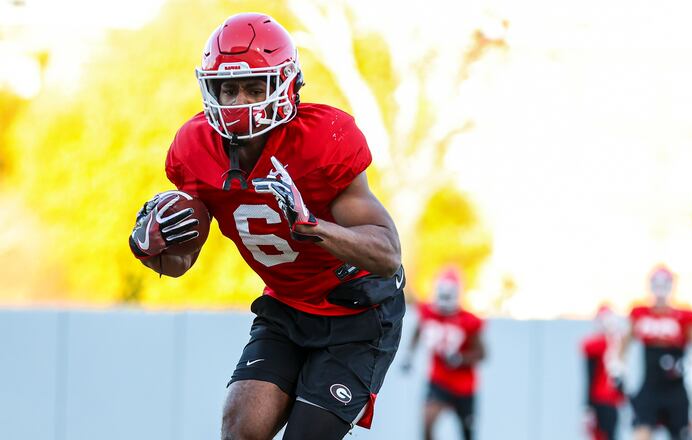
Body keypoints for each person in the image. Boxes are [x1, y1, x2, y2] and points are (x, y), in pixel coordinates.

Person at [127, 13, 405, 440]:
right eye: (230, 88)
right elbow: (180, 262)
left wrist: (315, 226)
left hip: (358, 309)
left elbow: (388, 255)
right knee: (241, 427)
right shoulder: (193, 148)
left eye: (255, 87)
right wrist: (149, 247)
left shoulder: (325, 138)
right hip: (287, 306)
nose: (241, 102)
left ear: (287, 85)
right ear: (210, 89)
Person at [616, 265, 692, 440]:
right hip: (649, 387)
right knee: (640, 434)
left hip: (675, 390)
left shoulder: (684, 317)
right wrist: (619, 370)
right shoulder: (639, 313)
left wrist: (685, 365)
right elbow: (623, 345)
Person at [401, 268, 486, 440]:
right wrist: (409, 355)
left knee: (467, 433)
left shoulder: (469, 320)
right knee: (427, 422)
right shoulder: (428, 311)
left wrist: (460, 359)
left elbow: (482, 353)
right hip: (438, 380)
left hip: (464, 386)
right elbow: (418, 330)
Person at [581, 305, 626, 440]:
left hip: (608, 400)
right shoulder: (604, 344)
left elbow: (619, 376)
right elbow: (591, 376)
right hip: (602, 399)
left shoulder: (615, 344)